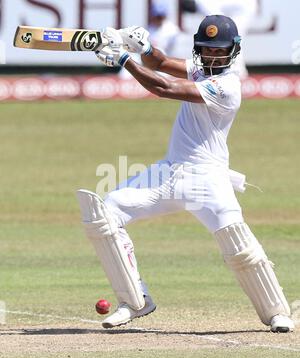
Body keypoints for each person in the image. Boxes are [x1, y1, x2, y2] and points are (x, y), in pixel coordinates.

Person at [76, 15, 294, 332]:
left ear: (233, 50)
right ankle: (135, 301)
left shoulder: (228, 85)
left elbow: (164, 86)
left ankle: (276, 312)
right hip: (168, 173)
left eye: (219, 51)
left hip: (209, 180)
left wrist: (124, 59)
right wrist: (142, 46)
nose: (213, 57)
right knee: (105, 213)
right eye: (207, 50)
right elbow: (160, 62)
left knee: (239, 245)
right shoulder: (201, 68)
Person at [182, 0, 258, 79]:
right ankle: (239, 73)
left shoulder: (203, 4)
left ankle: (240, 75)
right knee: (233, 39)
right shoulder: (203, 3)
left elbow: (219, 22)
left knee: (234, 40)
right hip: (245, 6)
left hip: (245, 8)